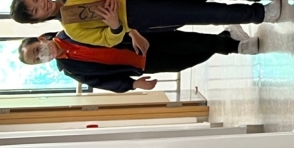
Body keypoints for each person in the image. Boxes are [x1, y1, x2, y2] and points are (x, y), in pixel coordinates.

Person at [11, 0, 277, 45]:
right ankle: (259, 13)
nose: (40, 5)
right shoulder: (72, 30)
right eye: (35, 11)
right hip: (141, 16)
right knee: (203, 13)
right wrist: (114, 24)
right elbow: (109, 40)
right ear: (37, 20)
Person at [19, 28, 258, 93]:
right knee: (185, 61)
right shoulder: (69, 69)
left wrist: (132, 31)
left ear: (41, 39)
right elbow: (101, 81)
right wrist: (133, 84)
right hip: (141, 64)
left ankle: (235, 46)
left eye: (38, 50)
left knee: (188, 42)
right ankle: (226, 37)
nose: (42, 55)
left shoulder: (71, 31)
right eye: (37, 59)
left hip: (143, 39)